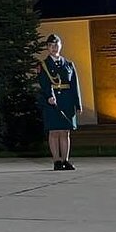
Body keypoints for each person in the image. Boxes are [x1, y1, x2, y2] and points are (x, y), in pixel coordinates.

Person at [38, 33, 81, 170]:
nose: (54, 48)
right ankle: (57, 160)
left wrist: (77, 103)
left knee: (65, 132)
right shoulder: (43, 65)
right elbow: (44, 83)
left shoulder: (68, 64)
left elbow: (74, 85)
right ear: (47, 48)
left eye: (56, 45)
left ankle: (65, 160)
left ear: (61, 46)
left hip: (67, 101)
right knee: (54, 132)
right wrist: (50, 96)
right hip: (51, 101)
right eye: (51, 46)